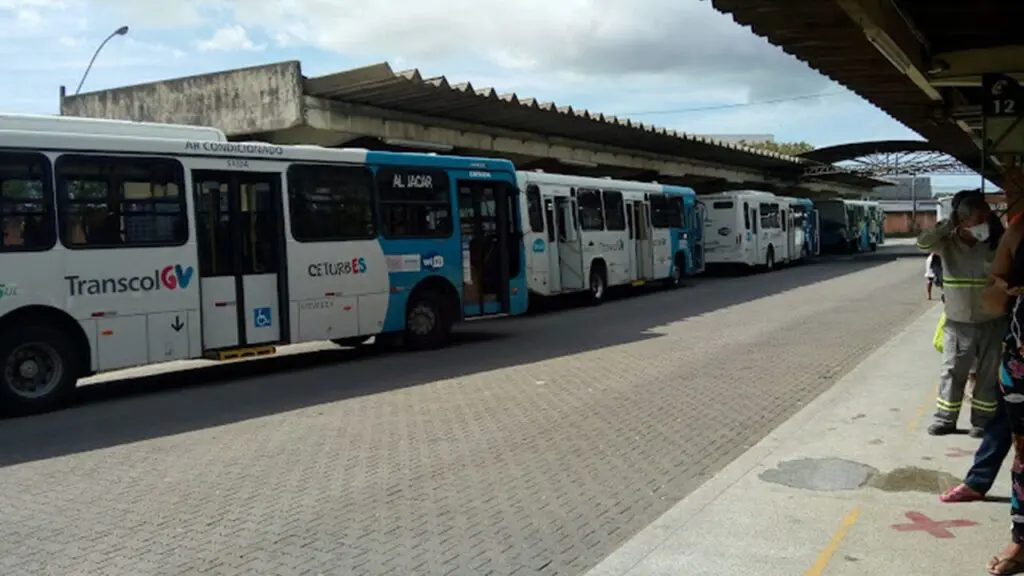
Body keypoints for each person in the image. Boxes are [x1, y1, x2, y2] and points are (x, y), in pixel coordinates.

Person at [917, 190, 1005, 437]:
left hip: (992, 321)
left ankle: (982, 421)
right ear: (962, 220)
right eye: (975, 220)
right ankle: (945, 418)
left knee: (988, 374)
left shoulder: (995, 242)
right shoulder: (947, 244)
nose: (981, 225)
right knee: (952, 371)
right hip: (959, 324)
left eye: (984, 219)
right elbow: (923, 242)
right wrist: (947, 225)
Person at [982, 167, 1024, 574]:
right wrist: (1003, 289)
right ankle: (1021, 542)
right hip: (1021, 359)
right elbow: (992, 301)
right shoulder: (1018, 231)